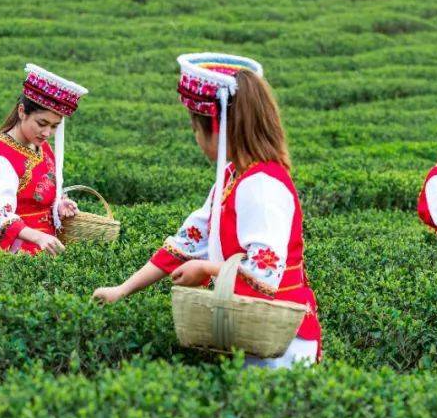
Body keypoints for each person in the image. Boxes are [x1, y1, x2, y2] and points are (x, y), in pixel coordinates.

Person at [92, 53, 320, 368]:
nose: (196, 137)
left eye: (197, 128)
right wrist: (122, 290)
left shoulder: (262, 185)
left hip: (281, 341)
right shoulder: (232, 176)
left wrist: (206, 270)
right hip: (244, 328)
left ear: (220, 128)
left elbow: (264, 273)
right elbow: (188, 241)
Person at [0, 64, 87, 255]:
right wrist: (39, 237)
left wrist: (58, 204)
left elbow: (41, 192)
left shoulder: (40, 144)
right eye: (42, 123)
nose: (47, 133)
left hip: (49, 244)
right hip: (17, 250)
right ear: (22, 112)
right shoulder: (0, 155)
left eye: (54, 126)